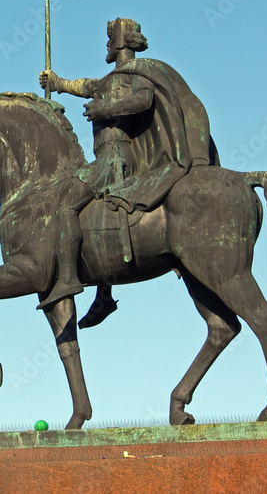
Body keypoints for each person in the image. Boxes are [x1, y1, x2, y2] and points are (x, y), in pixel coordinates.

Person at [38, 18, 216, 327]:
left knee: (66, 200)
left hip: (115, 158)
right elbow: (83, 86)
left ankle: (67, 279)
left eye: (110, 39)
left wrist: (105, 110)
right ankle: (103, 295)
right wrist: (57, 82)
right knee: (91, 210)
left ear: (121, 43)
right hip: (108, 157)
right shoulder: (111, 79)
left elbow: (143, 99)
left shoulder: (136, 74)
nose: (107, 44)